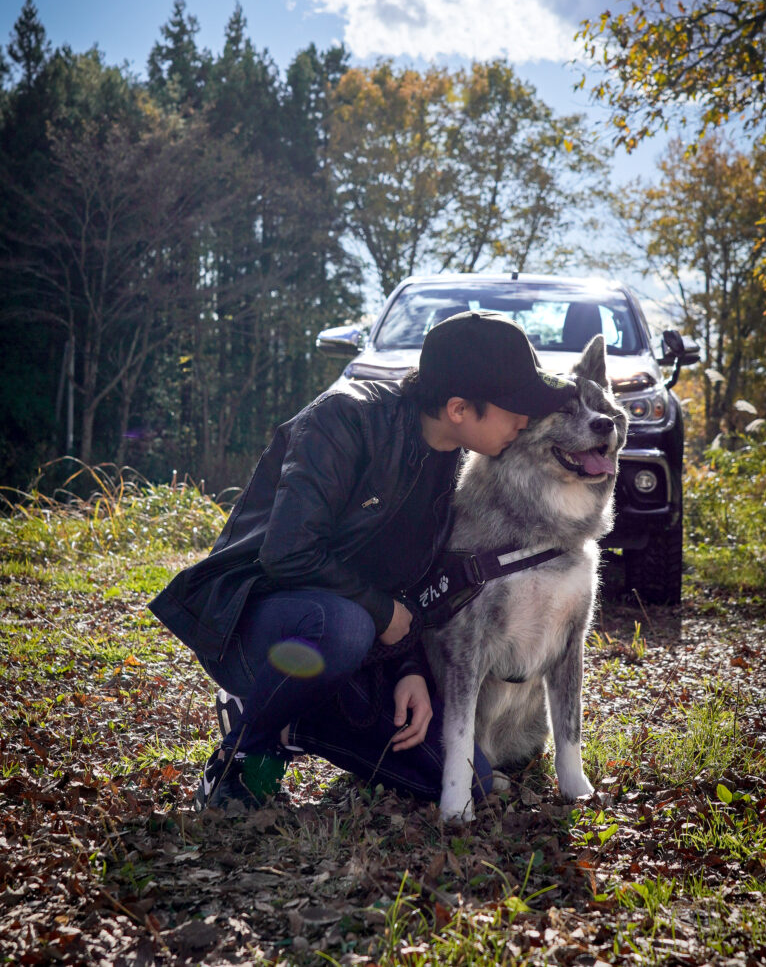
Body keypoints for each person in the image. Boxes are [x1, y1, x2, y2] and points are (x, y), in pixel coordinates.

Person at [149, 311, 576, 810]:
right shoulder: (343, 419)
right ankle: (243, 758)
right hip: (261, 624)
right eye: (515, 408)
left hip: (359, 647)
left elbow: (414, 588)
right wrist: (382, 614)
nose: (525, 422)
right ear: (459, 408)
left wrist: (410, 668)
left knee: (466, 780)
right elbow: (288, 552)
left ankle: (291, 713)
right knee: (343, 625)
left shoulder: (457, 469)